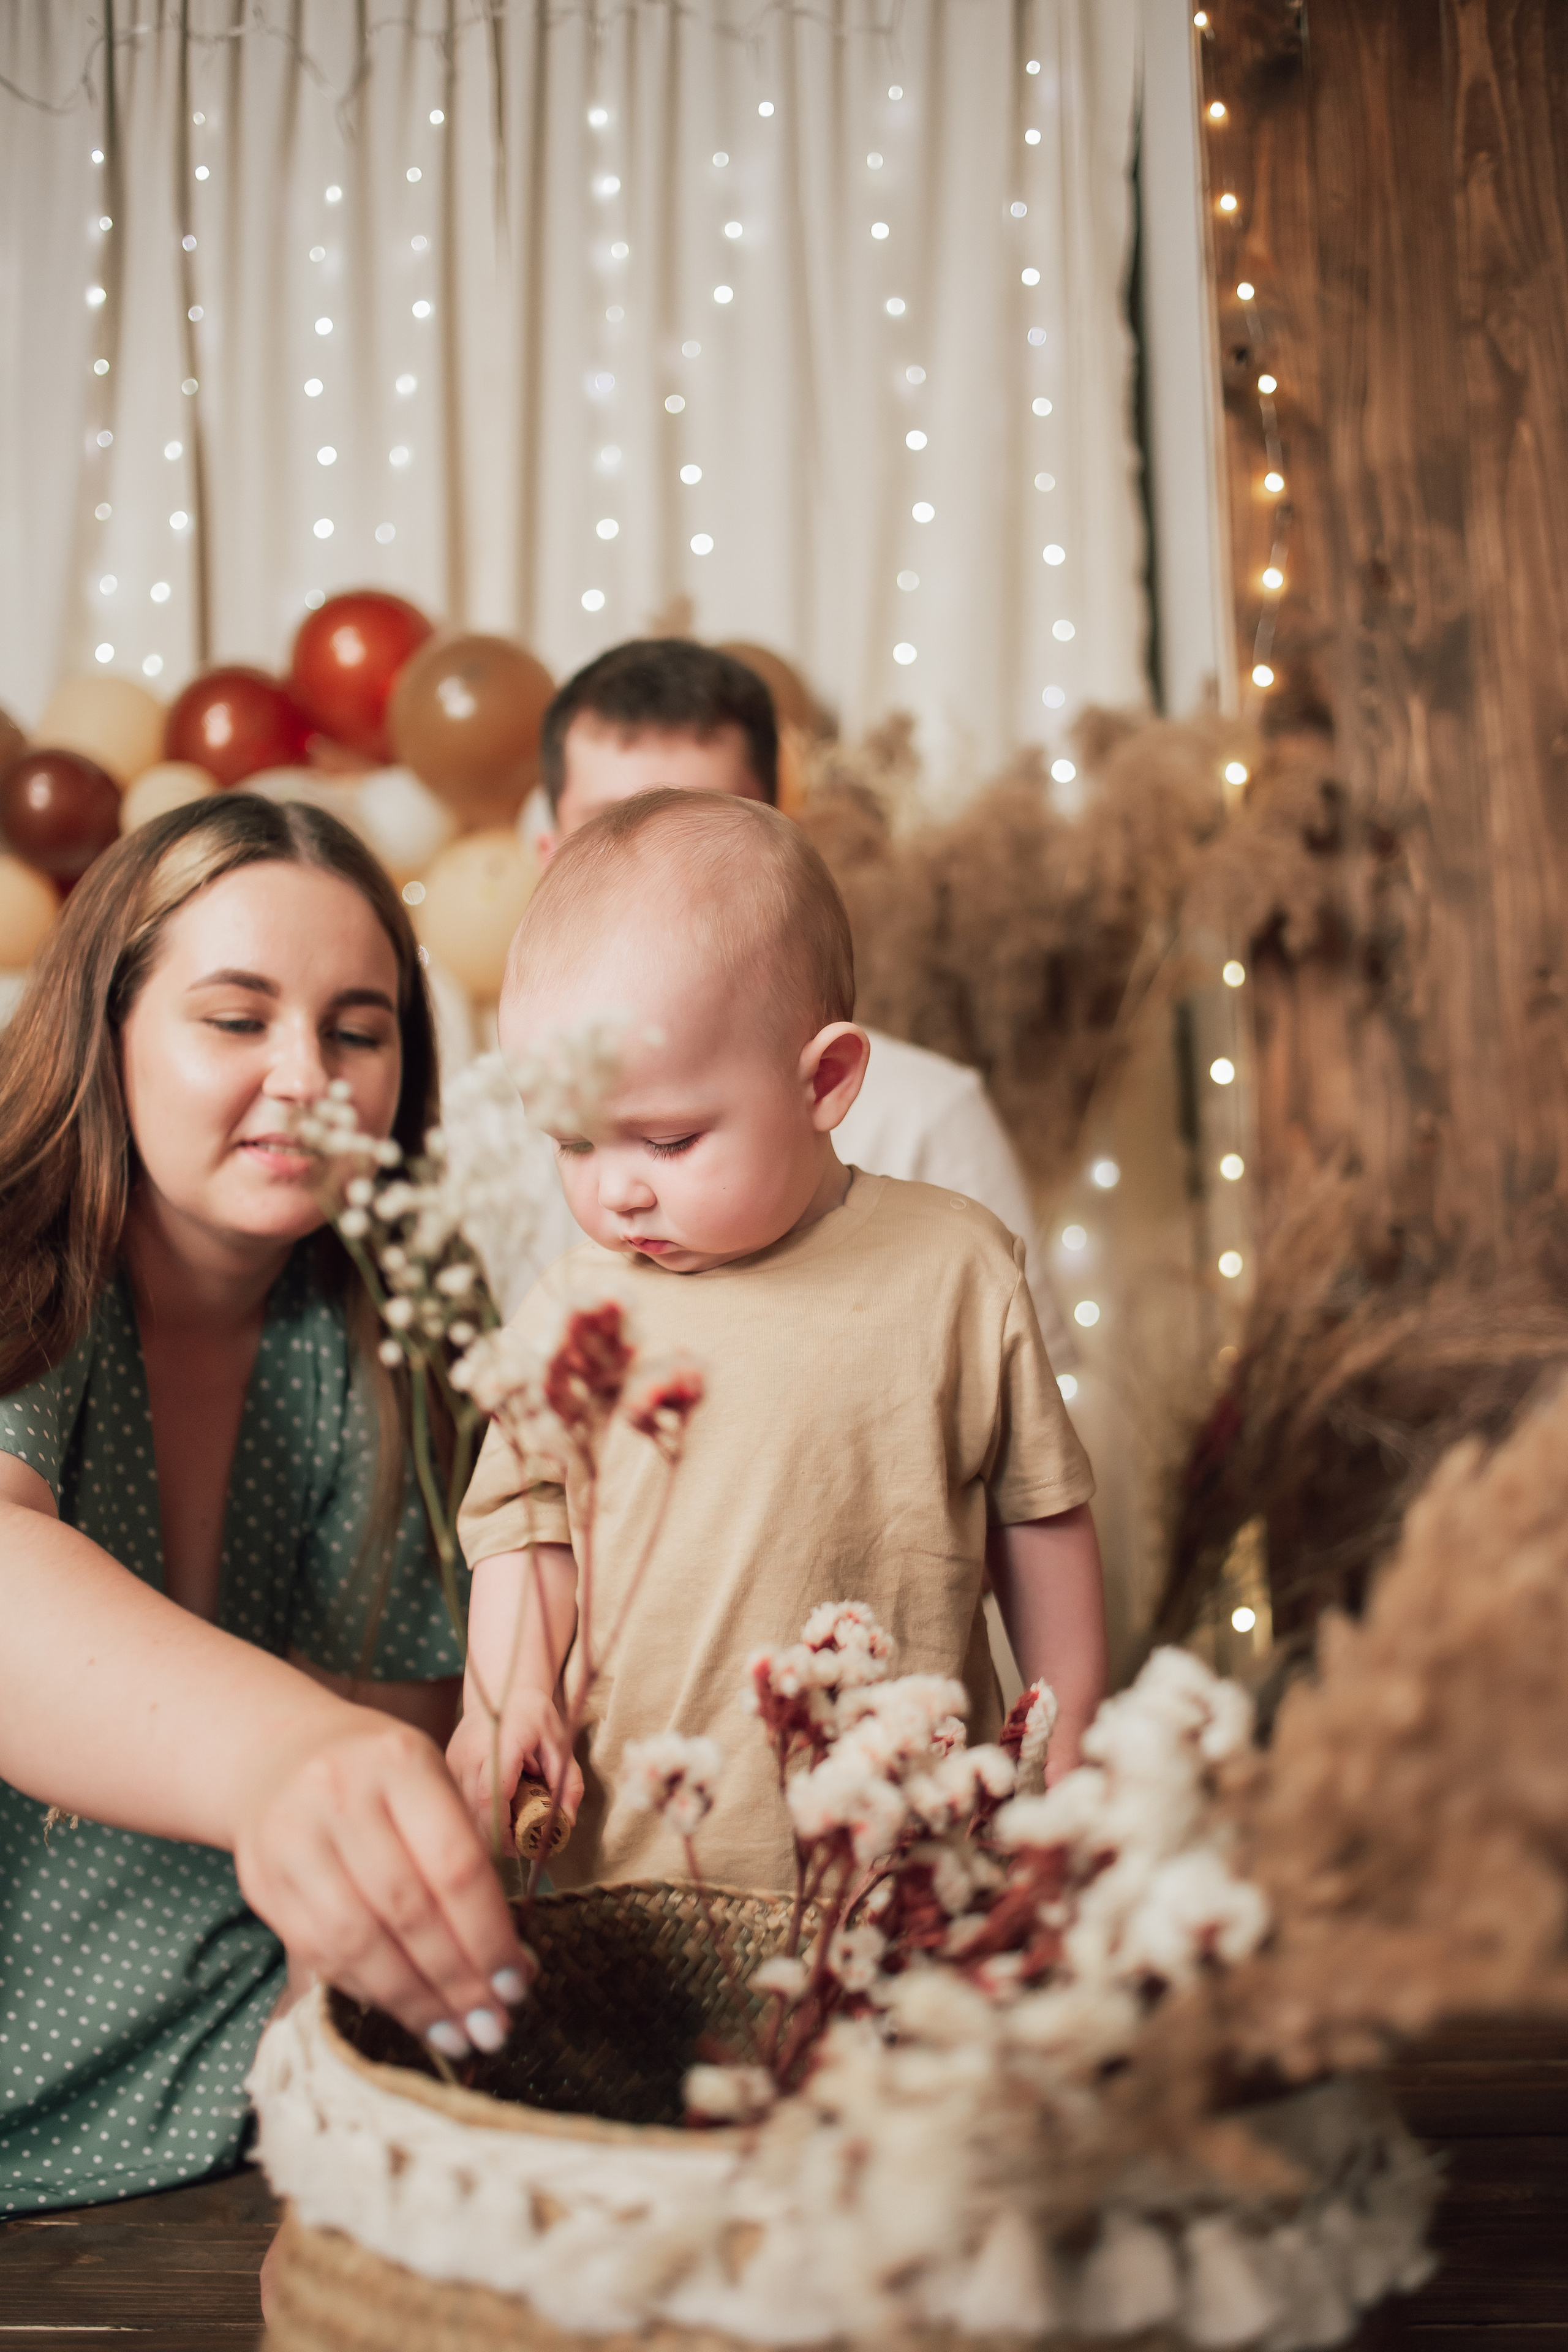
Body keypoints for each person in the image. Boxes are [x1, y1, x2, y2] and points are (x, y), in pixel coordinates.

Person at [0, 796, 531, 2215]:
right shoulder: (13, 1233)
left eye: (357, 1030)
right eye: (235, 1019)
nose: (308, 1077)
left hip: (224, 2087)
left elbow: (404, 1711)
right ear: (105, 1027)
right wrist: (285, 1748)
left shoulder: (401, 1310)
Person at [448, 790, 1105, 1896]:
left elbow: (1039, 1521)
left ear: (825, 1083)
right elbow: (530, 1533)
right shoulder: (568, 1315)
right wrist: (510, 1697)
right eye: (571, 1140)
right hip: (638, 1874)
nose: (617, 1189)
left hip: (915, 1866)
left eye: (668, 1137)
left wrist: (1069, 1753)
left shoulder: (954, 1269)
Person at [503, 638, 1076, 1368]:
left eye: (701, 829)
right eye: (611, 831)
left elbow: (1037, 1416)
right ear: (550, 858)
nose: (615, 1190)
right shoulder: (473, 1134)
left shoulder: (928, 1118)